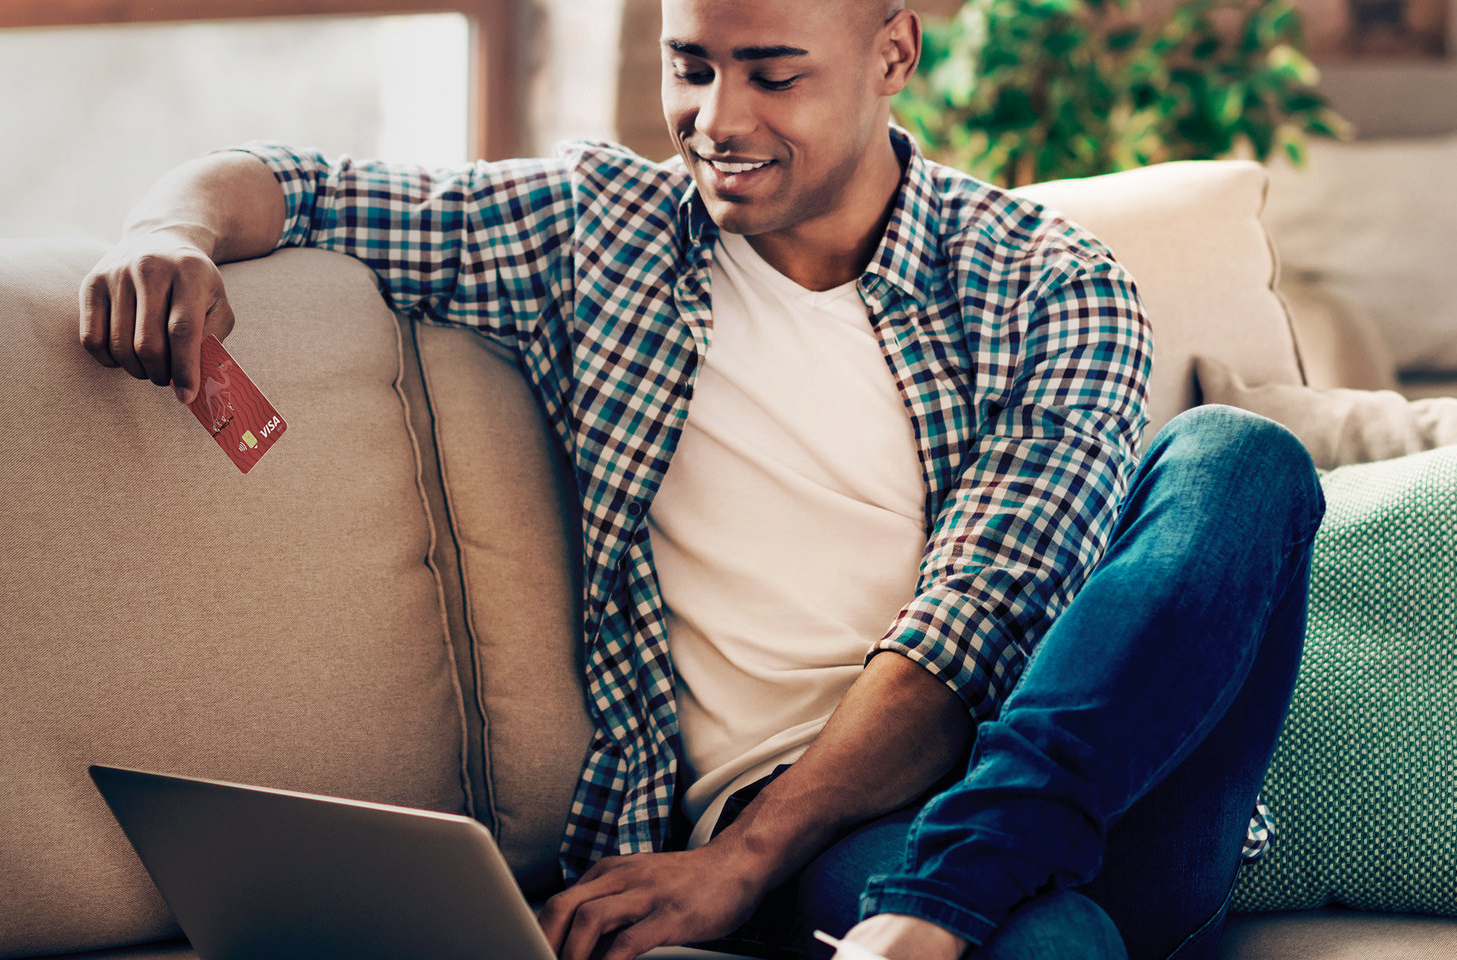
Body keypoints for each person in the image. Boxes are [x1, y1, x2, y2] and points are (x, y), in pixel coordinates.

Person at [75, 0, 1324, 957]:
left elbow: (985, 614)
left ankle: (952, 887)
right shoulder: (597, 234)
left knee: (1239, 458)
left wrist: (745, 862)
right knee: (1047, 944)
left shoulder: (1046, 279)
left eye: (772, 72)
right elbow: (294, 182)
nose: (719, 120)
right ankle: (939, 903)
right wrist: (164, 235)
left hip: (1106, 792)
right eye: (691, 67)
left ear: (893, 54)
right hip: (843, 846)